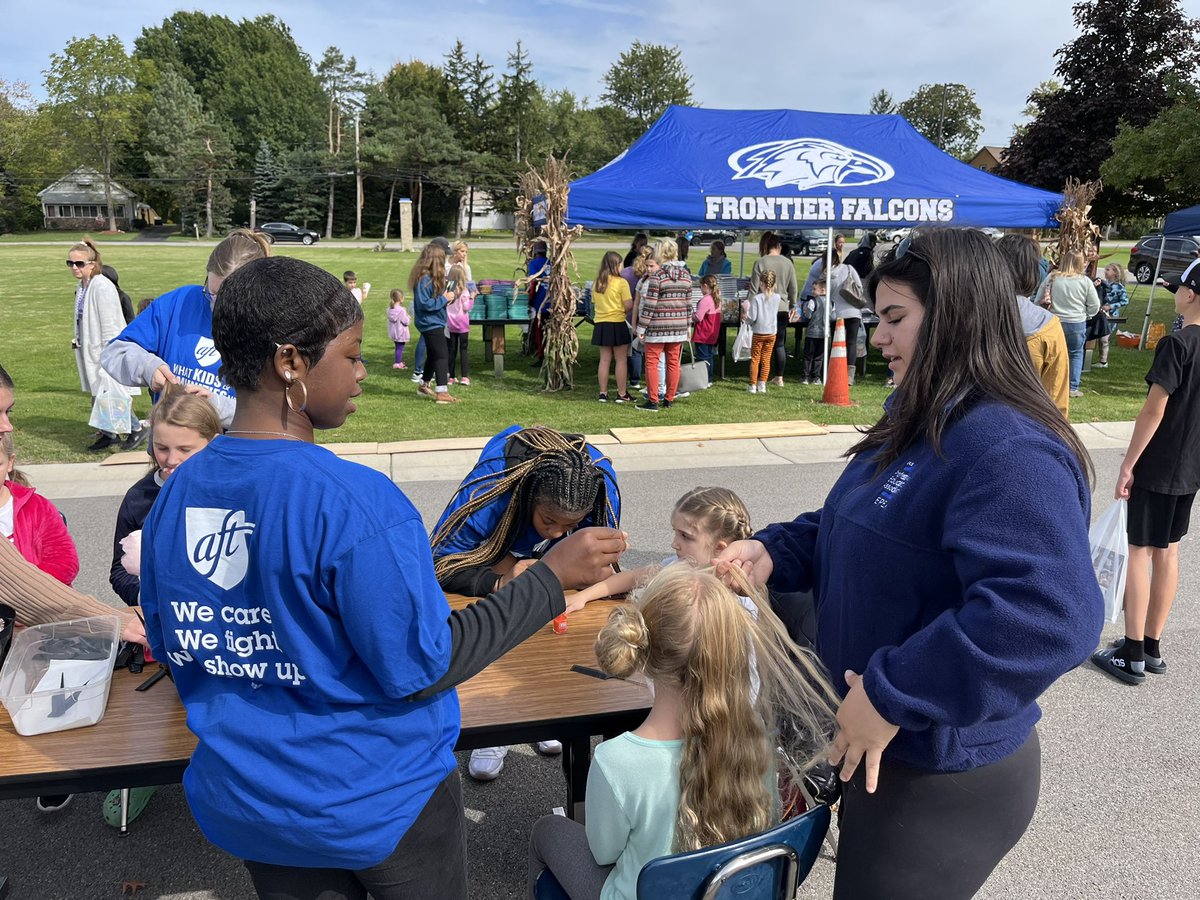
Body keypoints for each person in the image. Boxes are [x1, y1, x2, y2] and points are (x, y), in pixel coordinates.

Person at [138, 258, 626, 900]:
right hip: (377, 804)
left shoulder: (176, 494)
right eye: (351, 354)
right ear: (291, 362)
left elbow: (179, 642)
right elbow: (421, 665)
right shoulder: (355, 502)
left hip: (252, 802)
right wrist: (549, 580)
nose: (363, 373)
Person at [715, 229, 1104, 900]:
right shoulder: (923, 417)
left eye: (895, 318)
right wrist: (774, 552)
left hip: (940, 775)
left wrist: (894, 693)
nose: (879, 338)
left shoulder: (1007, 447)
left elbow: (1049, 616)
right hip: (880, 751)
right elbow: (862, 528)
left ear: (954, 317)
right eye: (876, 319)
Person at [526, 563, 837, 900]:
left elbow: (604, 854)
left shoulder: (615, 761)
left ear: (644, 653)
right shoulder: (756, 736)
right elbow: (770, 817)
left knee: (547, 830)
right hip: (730, 892)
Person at [430, 425, 622, 781]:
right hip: (498, 558)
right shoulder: (492, 488)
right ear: (529, 497)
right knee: (500, 619)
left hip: (551, 590)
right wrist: (499, 581)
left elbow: (602, 566)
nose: (556, 535)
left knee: (564, 624)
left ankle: (546, 703)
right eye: (548, 521)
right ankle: (495, 716)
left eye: (572, 525)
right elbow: (440, 562)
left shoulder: (599, 482)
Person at [104, 385, 222, 828]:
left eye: (184, 449)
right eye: (161, 447)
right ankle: (151, 773)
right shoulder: (139, 499)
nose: (170, 460)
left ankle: (227, 777)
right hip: (169, 635)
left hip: (228, 630)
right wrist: (149, 593)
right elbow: (118, 574)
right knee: (177, 708)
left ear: (213, 443)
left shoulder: (230, 491)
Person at [1092, 259, 1200, 686]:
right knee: (1168, 551)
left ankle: (1132, 651)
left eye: (1178, 288)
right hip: (1190, 466)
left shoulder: (1177, 344)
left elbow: (1154, 409)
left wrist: (1127, 463)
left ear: (1191, 293)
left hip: (1159, 463)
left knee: (1139, 550)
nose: (1176, 292)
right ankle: (1152, 645)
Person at [0, 363, 146, 647]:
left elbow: (22, 577)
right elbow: (18, 584)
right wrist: (112, 620)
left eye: (9, 412)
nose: (7, 426)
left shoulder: (37, 506)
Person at [102, 228, 272, 429]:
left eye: (229, 298)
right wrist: (148, 367)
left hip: (232, 454)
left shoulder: (271, 326)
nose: (217, 305)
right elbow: (114, 353)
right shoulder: (179, 302)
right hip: (171, 453)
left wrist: (216, 407)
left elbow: (275, 416)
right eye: (212, 293)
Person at [1, 427, 83, 814]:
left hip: (35, 627)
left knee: (46, 696)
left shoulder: (36, 506)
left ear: (10, 463)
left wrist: (27, 599)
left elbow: (65, 562)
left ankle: (52, 771)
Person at [68, 238, 145, 452]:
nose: (74, 267)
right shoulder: (83, 286)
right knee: (98, 393)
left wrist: (108, 355)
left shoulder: (102, 286)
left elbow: (111, 325)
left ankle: (135, 428)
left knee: (111, 393)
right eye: (70, 263)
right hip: (88, 347)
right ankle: (109, 434)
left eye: (79, 263)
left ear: (92, 264)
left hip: (104, 349)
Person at [996, 234, 1070, 419]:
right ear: (1033, 270)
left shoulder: (964, 318)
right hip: (1029, 427)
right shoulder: (1048, 327)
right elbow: (1056, 398)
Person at [635, 238, 691, 412]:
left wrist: (641, 327)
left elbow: (650, 305)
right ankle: (669, 398)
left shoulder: (658, 276)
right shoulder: (686, 275)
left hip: (657, 327)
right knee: (673, 363)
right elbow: (689, 304)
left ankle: (653, 400)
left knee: (652, 362)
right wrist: (688, 326)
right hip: (679, 327)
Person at [1034, 250, 1100, 399]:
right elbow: (1095, 305)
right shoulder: (1085, 281)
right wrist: (1087, 315)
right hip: (1076, 322)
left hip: (1055, 321)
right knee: (1075, 354)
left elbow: (1038, 299)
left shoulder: (1053, 277)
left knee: (1051, 355)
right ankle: (1072, 387)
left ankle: (1046, 385)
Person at [412, 243, 458, 404]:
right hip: (430, 323)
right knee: (441, 355)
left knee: (433, 353)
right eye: (442, 258)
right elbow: (425, 304)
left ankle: (424, 385)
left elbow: (434, 301)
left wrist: (448, 297)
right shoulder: (424, 279)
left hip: (434, 321)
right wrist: (444, 299)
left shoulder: (429, 278)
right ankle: (442, 392)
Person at [749, 234, 797, 386]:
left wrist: (748, 307)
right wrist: (792, 304)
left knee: (759, 345)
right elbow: (793, 288)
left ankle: (760, 378)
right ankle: (779, 376)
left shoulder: (760, 262)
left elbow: (753, 288)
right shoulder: (788, 262)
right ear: (779, 246)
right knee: (779, 344)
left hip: (763, 306)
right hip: (781, 306)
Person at [590, 251, 633, 403]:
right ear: (616, 265)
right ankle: (621, 393)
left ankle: (603, 393)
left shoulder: (597, 283)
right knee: (621, 360)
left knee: (604, 360)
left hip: (601, 323)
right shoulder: (621, 282)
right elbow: (628, 304)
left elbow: (594, 302)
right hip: (617, 322)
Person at [827, 249, 866, 385]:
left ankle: (835, 371)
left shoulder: (826, 274)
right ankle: (850, 376)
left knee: (835, 343)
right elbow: (859, 287)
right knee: (851, 342)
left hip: (836, 313)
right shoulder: (849, 269)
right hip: (853, 311)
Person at [743, 270, 780, 394]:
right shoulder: (777, 297)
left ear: (761, 283)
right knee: (766, 359)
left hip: (759, 332)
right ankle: (762, 383)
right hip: (771, 332)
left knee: (755, 359)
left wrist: (746, 320)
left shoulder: (757, 298)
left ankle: (753, 385)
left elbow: (752, 317)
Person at [1093, 263, 1130, 368]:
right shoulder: (1105, 285)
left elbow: (1125, 301)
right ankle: (1101, 360)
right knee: (1101, 338)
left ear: (1115, 272)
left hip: (1111, 317)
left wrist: (1111, 306)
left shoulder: (1118, 287)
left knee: (1105, 338)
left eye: (1108, 270)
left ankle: (1103, 361)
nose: (1105, 272)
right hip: (1101, 315)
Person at [446, 263, 474, 386]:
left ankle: (451, 376)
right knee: (463, 350)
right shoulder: (465, 291)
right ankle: (464, 377)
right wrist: (473, 298)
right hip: (462, 324)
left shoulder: (447, 291)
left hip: (450, 324)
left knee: (451, 351)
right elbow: (466, 307)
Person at [692, 276, 722, 386]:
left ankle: (704, 379)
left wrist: (691, 316)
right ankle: (709, 378)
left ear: (705, 286)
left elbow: (698, 317)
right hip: (711, 333)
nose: (700, 289)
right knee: (709, 356)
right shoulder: (717, 298)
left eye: (700, 286)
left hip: (703, 333)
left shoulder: (705, 300)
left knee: (702, 358)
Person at [801, 278, 828, 385]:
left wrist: (804, 310)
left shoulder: (813, 301)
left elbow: (808, 315)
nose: (812, 291)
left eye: (814, 289)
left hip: (812, 332)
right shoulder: (831, 302)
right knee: (819, 357)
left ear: (822, 290)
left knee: (808, 356)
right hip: (824, 333)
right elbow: (833, 316)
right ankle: (816, 377)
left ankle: (805, 377)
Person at [528, 240, 551, 367]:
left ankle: (542, 357)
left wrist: (530, 300)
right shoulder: (553, 262)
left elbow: (533, 283)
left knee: (540, 331)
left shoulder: (534, 263)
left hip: (540, 304)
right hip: (554, 302)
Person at [386, 289, 410, 370]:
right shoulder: (401, 310)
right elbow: (406, 322)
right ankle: (397, 363)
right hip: (401, 333)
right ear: (401, 299)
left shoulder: (390, 309)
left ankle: (398, 361)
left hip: (394, 332)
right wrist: (408, 317)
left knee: (397, 347)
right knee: (400, 348)